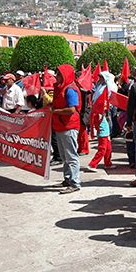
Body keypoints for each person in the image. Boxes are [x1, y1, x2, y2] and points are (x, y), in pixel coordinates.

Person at [51, 64, 81, 194]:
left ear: (64, 76)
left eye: (58, 74)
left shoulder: (70, 90)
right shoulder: (60, 88)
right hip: (61, 125)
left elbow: (71, 109)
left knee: (71, 156)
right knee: (64, 156)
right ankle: (68, 179)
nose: (55, 77)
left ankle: (75, 182)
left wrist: (55, 111)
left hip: (68, 126)